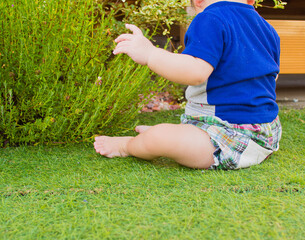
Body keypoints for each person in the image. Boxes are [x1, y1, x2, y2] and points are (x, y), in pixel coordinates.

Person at [94, 0, 282, 170]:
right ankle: (176, 135)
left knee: (159, 137)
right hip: (267, 134)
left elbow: (195, 72)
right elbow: (272, 77)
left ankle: (127, 145)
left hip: (227, 136)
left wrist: (150, 54)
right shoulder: (267, 28)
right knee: (173, 136)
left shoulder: (211, 18)